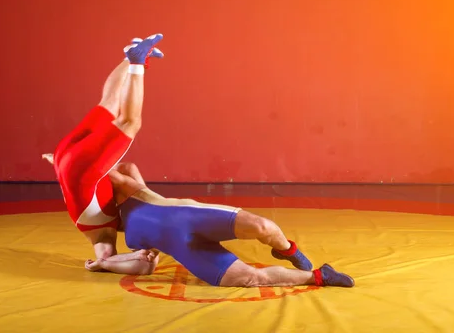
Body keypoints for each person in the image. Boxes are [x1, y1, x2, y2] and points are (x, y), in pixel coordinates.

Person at [85, 162, 355, 288]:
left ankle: (285, 249)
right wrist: (104, 264)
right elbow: (143, 268)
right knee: (248, 278)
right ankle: (321, 276)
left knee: (264, 227)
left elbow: (110, 165)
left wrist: (67, 164)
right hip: (188, 248)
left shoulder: (127, 189)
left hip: (192, 217)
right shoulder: (106, 230)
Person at [43, 34, 164, 268]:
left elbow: (128, 263)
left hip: (75, 165)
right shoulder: (119, 202)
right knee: (109, 102)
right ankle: (132, 56)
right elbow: (129, 168)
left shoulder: (102, 233)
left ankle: (136, 62)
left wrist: (101, 264)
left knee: (129, 122)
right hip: (65, 157)